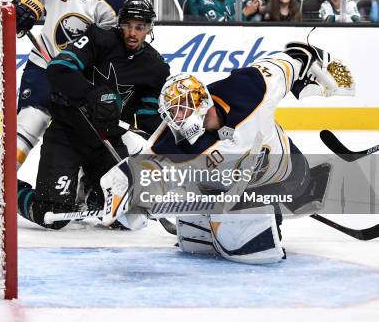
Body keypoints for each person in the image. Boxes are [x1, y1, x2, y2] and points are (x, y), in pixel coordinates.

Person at [100, 42, 355, 264]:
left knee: (244, 244)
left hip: (286, 175)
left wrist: (314, 62)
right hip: (231, 186)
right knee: (198, 230)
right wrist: (132, 204)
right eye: (171, 114)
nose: (175, 120)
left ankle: (266, 223)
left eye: (180, 110)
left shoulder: (249, 89)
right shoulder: (173, 138)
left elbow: (288, 61)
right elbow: (143, 170)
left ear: (199, 101)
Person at [17, 0, 170, 230]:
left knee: (119, 216)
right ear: (119, 24)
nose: (132, 33)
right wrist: (92, 94)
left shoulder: (156, 67)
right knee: (51, 213)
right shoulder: (99, 38)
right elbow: (58, 68)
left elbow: (146, 116)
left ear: (149, 29)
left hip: (107, 142)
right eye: (128, 25)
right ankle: (7, 191)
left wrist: (166, 135)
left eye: (140, 27)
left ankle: (88, 187)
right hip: (67, 135)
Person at [0, 0, 128, 171]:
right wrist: (18, 8)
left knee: (82, 147)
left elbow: (111, 53)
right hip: (43, 70)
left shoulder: (117, 3)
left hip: (80, 82)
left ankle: (83, 191)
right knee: (27, 127)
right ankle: (0, 187)